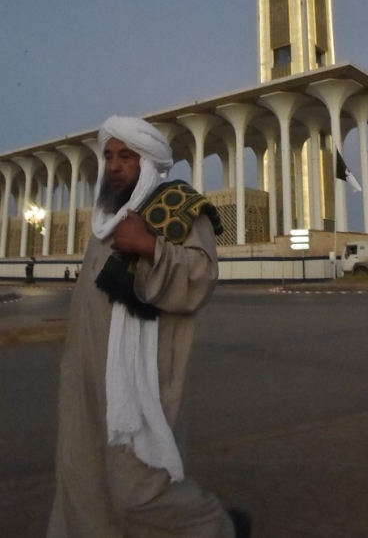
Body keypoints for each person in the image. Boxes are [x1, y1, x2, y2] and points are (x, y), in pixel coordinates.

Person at [47, 116, 251, 538]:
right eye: (108, 156)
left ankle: (217, 528)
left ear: (150, 162)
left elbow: (201, 277)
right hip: (87, 372)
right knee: (84, 475)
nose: (115, 165)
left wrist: (150, 246)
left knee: (138, 488)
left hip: (140, 379)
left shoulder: (176, 207)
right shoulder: (104, 219)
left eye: (126, 156)